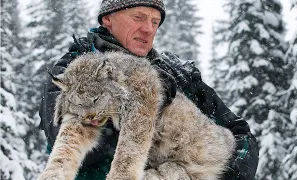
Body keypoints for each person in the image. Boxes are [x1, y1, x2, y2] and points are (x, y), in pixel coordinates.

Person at [39, 0, 259, 179]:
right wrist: (142, 103)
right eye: (138, 17)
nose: (148, 29)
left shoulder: (177, 74)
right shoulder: (73, 70)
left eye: (155, 22)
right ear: (108, 18)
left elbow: (240, 133)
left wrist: (229, 173)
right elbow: (67, 137)